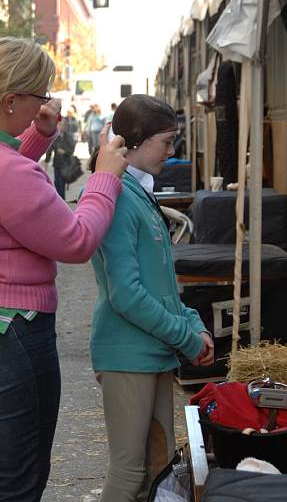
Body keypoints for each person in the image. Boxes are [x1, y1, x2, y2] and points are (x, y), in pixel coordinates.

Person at [0, 36, 128, 502]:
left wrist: (39, 134)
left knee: (6, 474)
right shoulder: (3, 170)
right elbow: (75, 240)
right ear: (11, 101)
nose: (46, 102)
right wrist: (105, 177)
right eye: (41, 95)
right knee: (19, 480)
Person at [88, 94, 214, 502]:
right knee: (130, 474)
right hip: (129, 354)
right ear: (138, 141)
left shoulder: (136, 192)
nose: (173, 151)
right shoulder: (120, 196)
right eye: (167, 140)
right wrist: (185, 335)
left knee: (157, 470)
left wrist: (191, 323)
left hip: (151, 352)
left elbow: (160, 284)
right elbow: (127, 294)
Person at [45, 119, 76, 199]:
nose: (60, 126)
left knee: (61, 183)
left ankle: (61, 200)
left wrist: (64, 151)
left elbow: (72, 149)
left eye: (63, 125)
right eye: (59, 125)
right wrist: (46, 161)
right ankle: (60, 200)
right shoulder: (55, 137)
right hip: (57, 164)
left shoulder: (69, 137)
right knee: (56, 183)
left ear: (66, 126)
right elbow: (50, 149)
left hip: (65, 164)